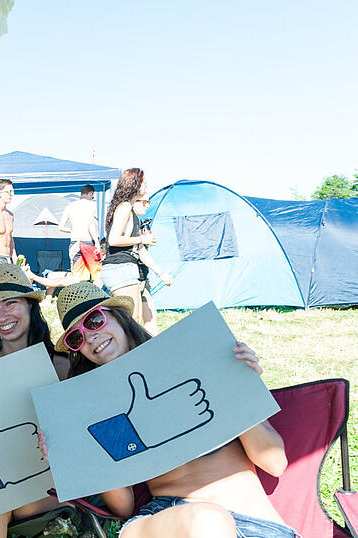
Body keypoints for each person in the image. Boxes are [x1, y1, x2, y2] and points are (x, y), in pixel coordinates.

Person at [47, 281, 294, 538]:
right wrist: (83, 448)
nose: (89, 337)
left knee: (210, 521)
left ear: (118, 316)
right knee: (208, 520)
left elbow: (275, 463)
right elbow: (124, 506)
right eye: (76, 338)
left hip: (255, 525)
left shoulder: (192, 359)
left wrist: (231, 385)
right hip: (164, 519)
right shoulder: (102, 407)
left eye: (94, 321)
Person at [0, 264, 70, 537]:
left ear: (31, 307)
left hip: (49, 478)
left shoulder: (60, 364)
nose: (2, 316)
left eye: (11, 303)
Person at [100, 168, 169, 324]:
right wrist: (141, 238)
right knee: (132, 320)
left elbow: (140, 251)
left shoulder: (130, 211)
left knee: (136, 320)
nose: (146, 187)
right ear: (135, 185)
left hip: (127, 268)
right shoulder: (124, 207)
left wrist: (161, 273)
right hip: (119, 268)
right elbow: (114, 240)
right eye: (144, 183)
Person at [130, 197, 171, 335]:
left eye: (148, 202)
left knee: (151, 317)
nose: (147, 206)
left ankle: (153, 348)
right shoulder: (127, 221)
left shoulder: (139, 223)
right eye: (144, 202)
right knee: (133, 320)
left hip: (142, 276)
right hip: (129, 279)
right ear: (134, 201)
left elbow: (142, 251)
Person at [59, 184, 99, 266]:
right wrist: (97, 242)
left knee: (76, 272)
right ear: (91, 193)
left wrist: (72, 230)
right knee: (92, 271)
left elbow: (61, 227)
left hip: (75, 241)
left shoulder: (70, 206)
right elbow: (91, 225)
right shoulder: (92, 205)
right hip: (88, 241)